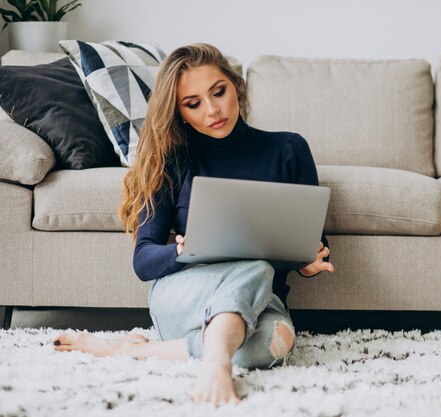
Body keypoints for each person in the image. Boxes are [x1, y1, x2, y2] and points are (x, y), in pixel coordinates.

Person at [51, 43, 334, 406]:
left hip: (261, 300)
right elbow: (144, 261)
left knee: (273, 343)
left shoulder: (290, 149)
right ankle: (217, 366)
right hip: (184, 297)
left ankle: (131, 351)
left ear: (237, 87)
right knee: (256, 265)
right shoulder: (171, 161)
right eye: (193, 103)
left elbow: (311, 240)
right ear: (179, 112)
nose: (213, 110)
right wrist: (182, 251)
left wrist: (309, 261)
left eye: (219, 93)